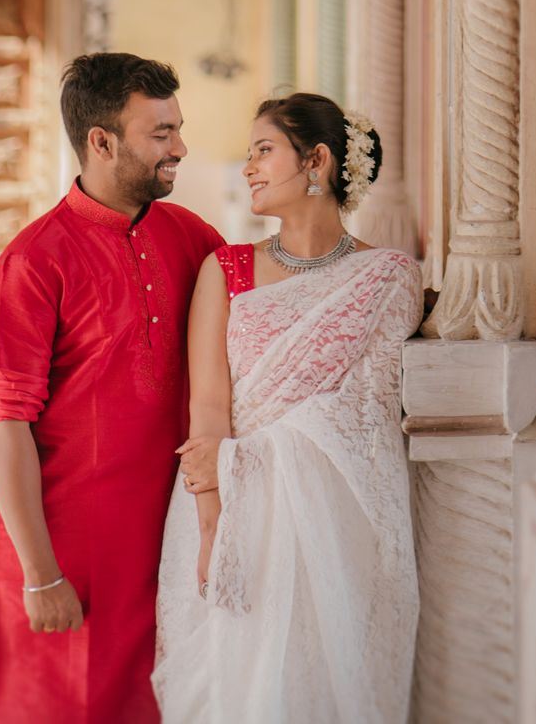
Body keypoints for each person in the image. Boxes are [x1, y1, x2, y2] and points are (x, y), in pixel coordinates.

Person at [0, 54, 224, 724]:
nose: (179, 148)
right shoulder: (31, 266)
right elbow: (5, 425)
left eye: (177, 129)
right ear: (102, 142)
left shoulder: (190, 238)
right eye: (160, 133)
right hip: (63, 551)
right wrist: (41, 576)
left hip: (163, 541)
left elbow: (267, 312)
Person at [152, 92, 423, 724]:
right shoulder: (228, 270)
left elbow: (367, 418)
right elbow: (210, 414)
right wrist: (217, 532)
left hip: (337, 519)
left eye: (264, 150)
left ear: (317, 161)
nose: (248, 166)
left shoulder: (385, 278)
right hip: (232, 510)